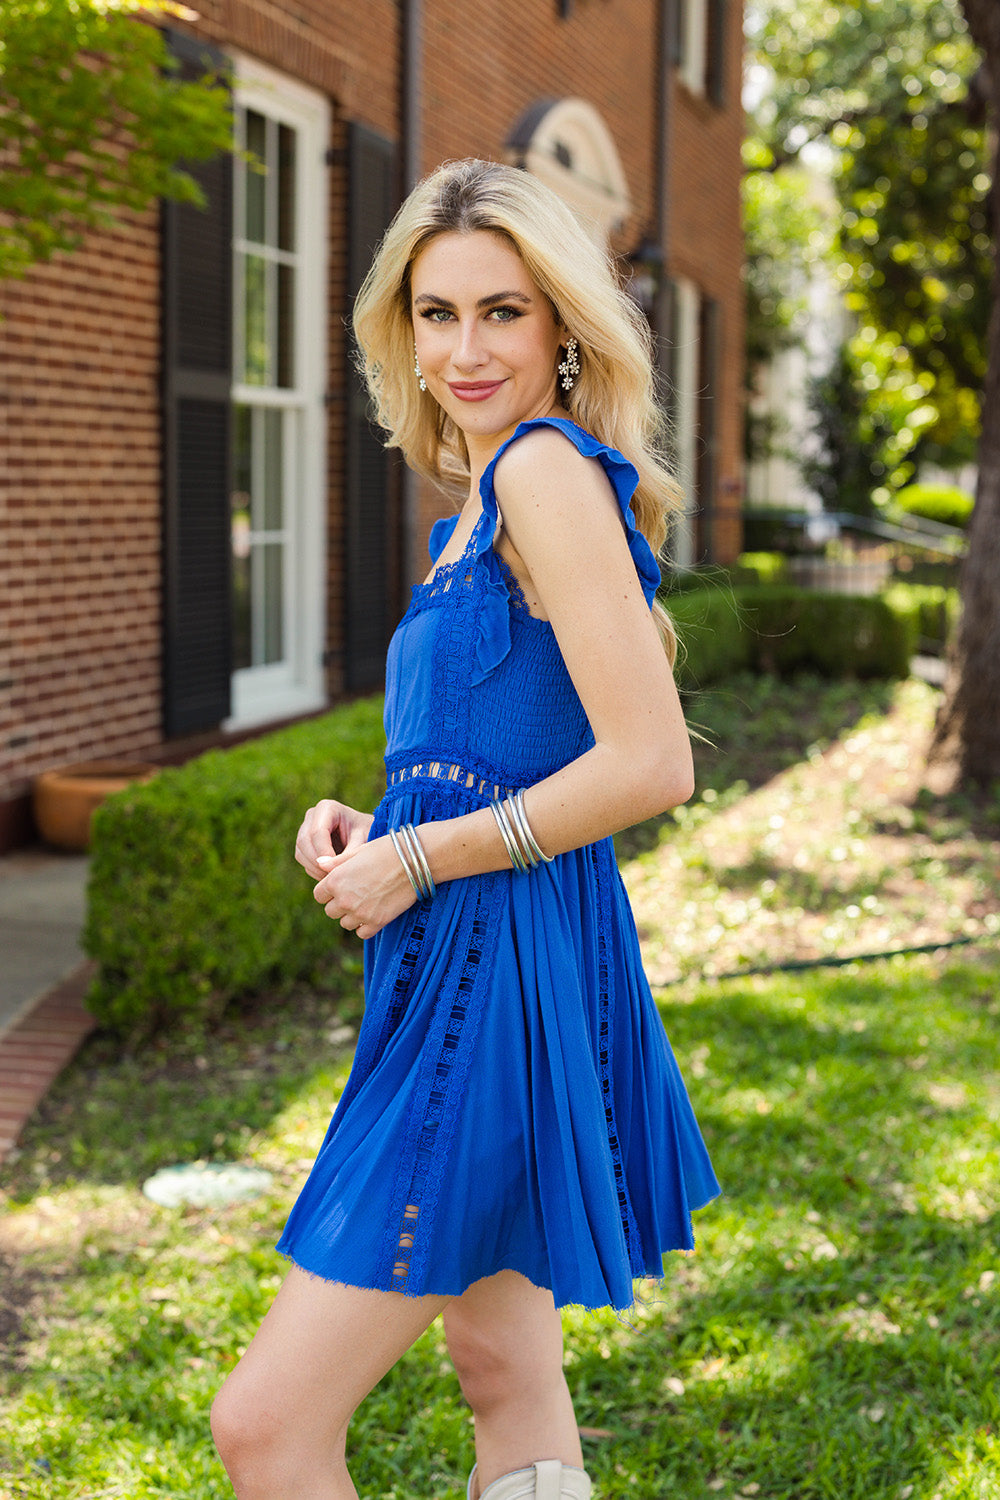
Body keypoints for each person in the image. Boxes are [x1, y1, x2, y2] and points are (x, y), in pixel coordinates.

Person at [210, 157, 720, 1500]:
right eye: (438, 314)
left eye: (503, 310)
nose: (467, 347)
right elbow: (502, 746)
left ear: (562, 326)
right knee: (505, 1375)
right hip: (464, 965)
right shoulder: (474, 511)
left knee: (264, 1425)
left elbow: (652, 761)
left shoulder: (546, 474)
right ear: (403, 332)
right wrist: (378, 820)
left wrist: (419, 857)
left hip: (496, 979)